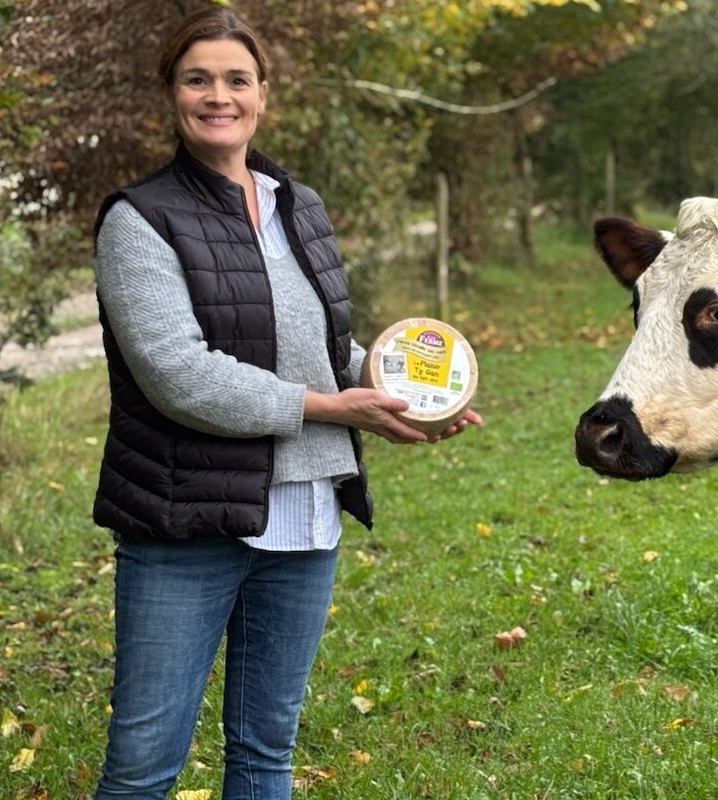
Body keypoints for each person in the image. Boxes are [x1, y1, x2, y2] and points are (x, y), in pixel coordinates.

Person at [89, 8, 482, 799]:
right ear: (172, 93)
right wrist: (335, 410)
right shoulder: (139, 220)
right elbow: (180, 375)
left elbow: (323, 348)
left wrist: (408, 393)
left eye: (236, 78)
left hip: (303, 518)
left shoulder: (296, 204)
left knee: (266, 754)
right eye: (197, 78)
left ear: (263, 93)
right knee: (142, 766)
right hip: (187, 519)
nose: (217, 95)